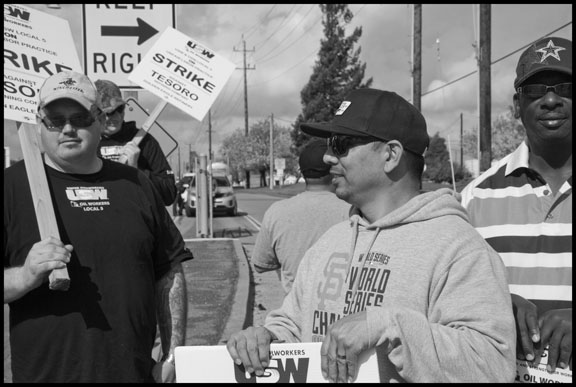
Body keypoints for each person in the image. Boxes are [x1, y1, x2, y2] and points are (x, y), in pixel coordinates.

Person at [226, 88, 517, 383]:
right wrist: (265, 338)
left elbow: (491, 364)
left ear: (391, 155)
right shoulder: (330, 241)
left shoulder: (459, 248)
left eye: (340, 144)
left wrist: (388, 326)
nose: (327, 156)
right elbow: (293, 324)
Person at [4, 71, 192, 383]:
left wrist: (174, 353)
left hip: (133, 374)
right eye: (54, 119)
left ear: (99, 122)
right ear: (39, 123)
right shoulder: (11, 187)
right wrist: (25, 276)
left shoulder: (136, 184)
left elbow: (170, 271)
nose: (67, 128)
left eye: (79, 117)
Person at [461, 36, 572, 373]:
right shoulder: (474, 198)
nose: (550, 100)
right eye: (535, 91)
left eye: (565, 87)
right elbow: (446, 297)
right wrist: (495, 306)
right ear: (515, 106)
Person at [251, 139, 350, 294]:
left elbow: (260, 264)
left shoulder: (276, 212)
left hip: (295, 311)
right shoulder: (353, 211)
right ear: (334, 169)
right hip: (340, 312)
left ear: (302, 171)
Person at [95, 79, 177, 206]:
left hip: (137, 220)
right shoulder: (86, 143)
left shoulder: (144, 140)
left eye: (119, 109)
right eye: (108, 113)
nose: (115, 117)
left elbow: (169, 194)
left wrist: (137, 171)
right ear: (95, 113)